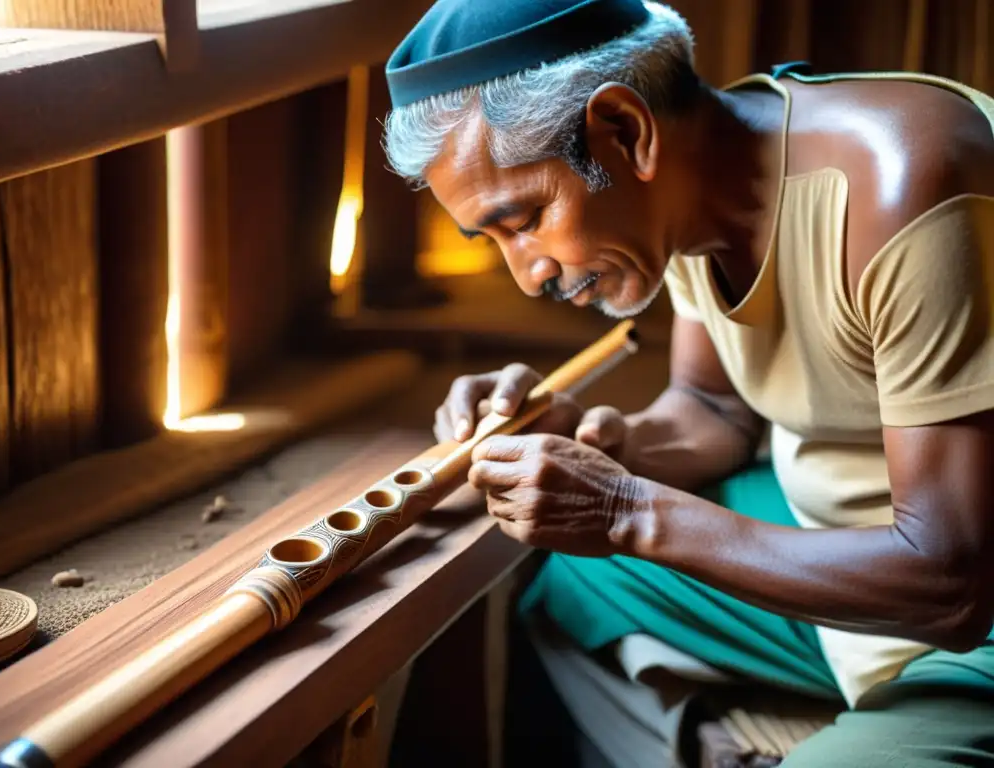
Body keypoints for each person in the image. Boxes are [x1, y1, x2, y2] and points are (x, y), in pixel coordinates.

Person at [383, 0, 994, 765]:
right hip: (839, 552)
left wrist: (627, 510)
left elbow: (952, 583)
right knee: (560, 582)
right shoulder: (696, 187)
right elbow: (714, 412)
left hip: (962, 603)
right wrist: (584, 442)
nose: (528, 271)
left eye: (527, 217)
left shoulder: (907, 181)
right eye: (494, 237)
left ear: (627, 131)